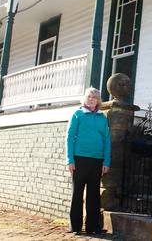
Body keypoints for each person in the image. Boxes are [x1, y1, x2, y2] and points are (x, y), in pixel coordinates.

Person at [66, 87, 111, 235]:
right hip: (79, 160)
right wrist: (70, 160)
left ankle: (92, 227)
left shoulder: (102, 118)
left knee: (93, 195)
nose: (91, 99)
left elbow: (107, 140)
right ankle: (76, 227)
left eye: (94, 97)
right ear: (84, 98)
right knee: (77, 194)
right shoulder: (77, 114)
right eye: (88, 96)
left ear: (98, 100)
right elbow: (69, 137)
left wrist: (106, 162)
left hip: (97, 161)